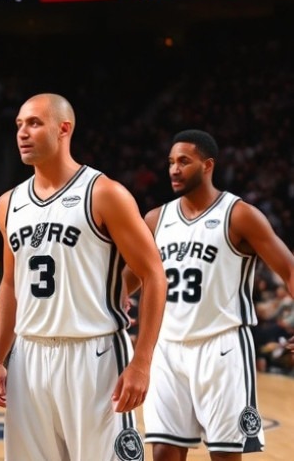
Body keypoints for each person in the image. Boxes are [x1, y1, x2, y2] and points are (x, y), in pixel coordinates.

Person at [0, 93, 167, 461]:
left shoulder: (104, 193)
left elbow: (153, 273)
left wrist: (142, 362)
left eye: (34, 123)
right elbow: (10, 284)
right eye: (19, 125)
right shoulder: (9, 202)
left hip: (95, 355)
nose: (23, 132)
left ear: (64, 128)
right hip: (29, 355)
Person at [123, 129, 294, 460]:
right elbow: (130, 279)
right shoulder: (156, 219)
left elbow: (288, 269)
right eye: (171, 162)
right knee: (163, 454)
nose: (174, 169)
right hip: (167, 349)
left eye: (184, 161)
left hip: (222, 348)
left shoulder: (239, 214)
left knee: (224, 454)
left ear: (208, 165)